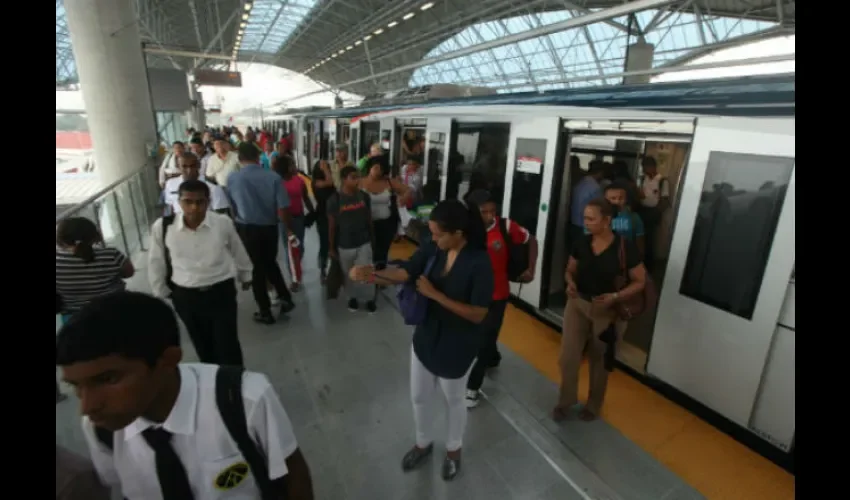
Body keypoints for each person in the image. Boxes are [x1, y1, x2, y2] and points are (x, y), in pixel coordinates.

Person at [56, 291, 315, 499]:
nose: (87, 406)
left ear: (167, 361)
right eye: (75, 386)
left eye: (108, 379)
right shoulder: (101, 428)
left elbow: (292, 476)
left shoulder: (243, 398)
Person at [349, 199, 493, 481]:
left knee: (454, 400)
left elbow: (478, 314)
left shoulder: (479, 262)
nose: (433, 238)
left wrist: (436, 295)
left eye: (439, 233)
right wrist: (372, 275)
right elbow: (406, 272)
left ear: (458, 233)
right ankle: (423, 442)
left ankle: (453, 450)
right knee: (419, 396)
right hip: (427, 336)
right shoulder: (433, 249)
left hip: (458, 344)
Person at [555, 198, 647, 422]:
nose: (585, 223)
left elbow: (640, 281)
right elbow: (570, 270)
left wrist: (615, 296)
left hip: (608, 311)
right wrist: (570, 283)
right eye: (584, 217)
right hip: (578, 305)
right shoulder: (582, 242)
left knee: (599, 360)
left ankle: (593, 405)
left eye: (590, 219)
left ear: (607, 221)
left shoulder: (625, 248)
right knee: (568, 356)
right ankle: (566, 400)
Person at [149, 179, 253, 366]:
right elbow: (156, 260)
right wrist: (161, 291)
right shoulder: (164, 227)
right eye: (188, 202)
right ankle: (213, 383)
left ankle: (235, 385)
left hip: (221, 292)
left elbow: (237, 249)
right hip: (186, 296)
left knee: (227, 344)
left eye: (200, 202)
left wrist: (246, 274)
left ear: (208, 202)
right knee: (203, 346)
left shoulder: (222, 223)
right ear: (179, 202)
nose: (194, 208)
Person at [463, 189, 538, 408]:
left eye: (492, 211)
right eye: (483, 212)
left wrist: (531, 268)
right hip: (470, 294)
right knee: (480, 336)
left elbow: (531, 240)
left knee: (484, 339)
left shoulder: (505, 227)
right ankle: (493, 357)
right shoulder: (464, 230)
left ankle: (472, 387)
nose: (489, 216)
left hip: (497, 294)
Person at [227, 142, 295, 324]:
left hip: (247, 229)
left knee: (256, 270)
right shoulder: (273, 177)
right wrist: (288, 229)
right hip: (269, 228)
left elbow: (232, 208)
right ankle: (285, 297)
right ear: (258, 158)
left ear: (240, 159)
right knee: (270, 263)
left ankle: (265, 311)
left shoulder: (232, 178)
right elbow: (283, 208)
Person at [56, 217, 135, 321]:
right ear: (93, 235)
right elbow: (129, 273)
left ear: (61, 238)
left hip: (74, 318)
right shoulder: (111, 254)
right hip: (115, 310)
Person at [328, 165, 377, 313]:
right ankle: (352, 298)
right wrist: (331, 248)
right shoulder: (334, 200)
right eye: (353, 177)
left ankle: (369, 299)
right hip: (344, 244)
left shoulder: (364, 197)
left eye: (358, 177)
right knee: (348, 274)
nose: (357, 181)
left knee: (366, 270)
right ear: (344, 179)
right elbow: (331, 226)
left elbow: (369, 219)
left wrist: (372, 238)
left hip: (363, 241)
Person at [274, 154, 314, 292]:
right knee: (290, 250)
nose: (294, 166)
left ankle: (297, 266)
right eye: (291, 164)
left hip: (299, 218)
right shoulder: (277, 182)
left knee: (300, 247)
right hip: (284, 221)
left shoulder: (299, 180)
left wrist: (312, 212)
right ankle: (294, 278)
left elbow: (306, 198)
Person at [360, 156, 409, 266]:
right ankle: (367, 274)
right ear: (370, 167)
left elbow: (407, 190)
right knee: (366, 251)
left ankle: (380, 276)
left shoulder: (389, 182)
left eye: (381, 169)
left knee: (382, 252)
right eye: (376, 167)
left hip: (386, 224)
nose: (378, 171)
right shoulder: (360, 182)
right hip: (365, 224)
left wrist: (404, 198)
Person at [162, 153, 229, 216]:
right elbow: (169, 207)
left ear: (199, 165)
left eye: (193, 166)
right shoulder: (170, 184)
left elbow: (221, 214)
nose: (189, 170)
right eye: (184, 166)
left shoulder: (212, 186)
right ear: (178, 167)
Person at [637, 156, 670, 272]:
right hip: (642, 210)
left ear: (652, 167)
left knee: (650, 240)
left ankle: (648, 266)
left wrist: (656, 213)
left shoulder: (662, 181)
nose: (644, 170)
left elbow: (665, 200)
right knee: (639, 238)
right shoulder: (643, 179)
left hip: (653, 212)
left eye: (645, 167)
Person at [569, 160, 604, 250]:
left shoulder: (580, 182)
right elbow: (597, 209)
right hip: (585, 226)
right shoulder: (595, 187)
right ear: (600, 173)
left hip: (574, 223)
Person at [311, 159, 336, 283]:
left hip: (334, 214)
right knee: (325, 243)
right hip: (323, 215)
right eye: (325, 167)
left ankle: (333, 270)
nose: (327, 168)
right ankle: (323, 270)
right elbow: (330, 182)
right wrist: (326, 169)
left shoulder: (327, 179)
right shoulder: (316, 182)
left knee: (334, 242)